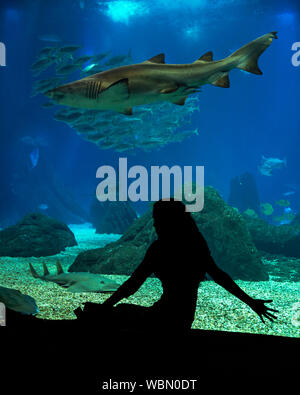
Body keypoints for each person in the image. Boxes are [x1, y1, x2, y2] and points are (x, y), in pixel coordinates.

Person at [81, 198, 277, 332]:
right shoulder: (196, 245)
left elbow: (133, 284)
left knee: (111, 315)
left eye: (159, 221)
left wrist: (105, 307)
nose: (156, 225)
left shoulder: (159, 249)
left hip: (165, 320)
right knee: (116, 312)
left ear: (170, 222)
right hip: (183, 320)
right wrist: (251, 302)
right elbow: (220, 276)